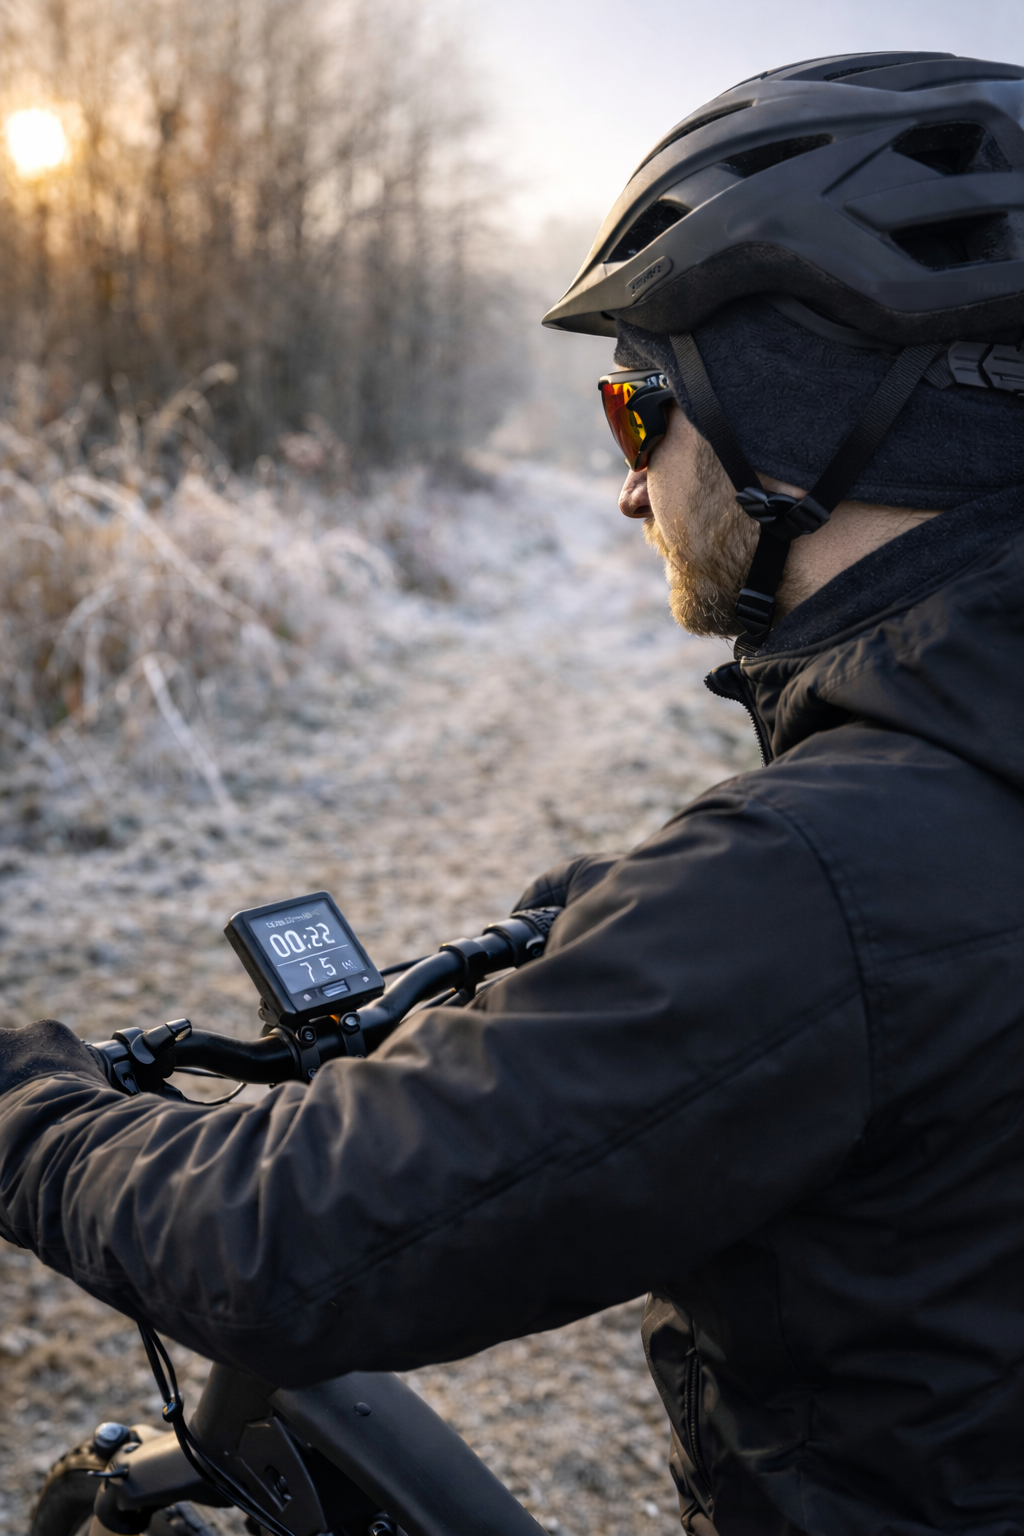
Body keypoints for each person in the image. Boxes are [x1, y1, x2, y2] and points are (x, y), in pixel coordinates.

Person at [1, 48, 1023, 1535]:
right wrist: (635, 922)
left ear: (797, 419)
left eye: (639, 410)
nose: (628, 486)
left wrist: (27, 1107)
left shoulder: (822, 881)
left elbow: (283, 1244)